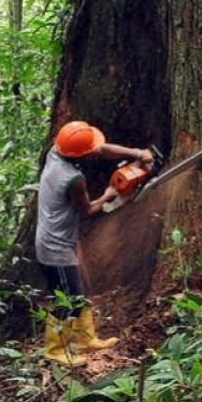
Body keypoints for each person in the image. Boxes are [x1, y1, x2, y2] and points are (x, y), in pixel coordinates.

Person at [36, 121, 153, 367]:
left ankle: (85, 339)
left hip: (59, 240)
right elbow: (87, 210)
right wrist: (109, 195)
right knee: (68, 299)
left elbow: (101, 149)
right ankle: (54, 348)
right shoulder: (72, 179)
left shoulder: (55, 154)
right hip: (54, 247)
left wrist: (137, 154)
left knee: (79, 292)